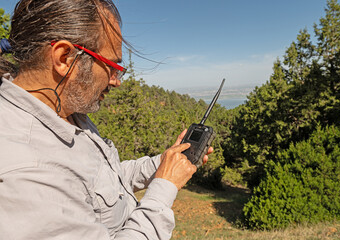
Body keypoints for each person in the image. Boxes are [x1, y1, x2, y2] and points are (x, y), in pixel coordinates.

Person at [0, 0, 212, 239]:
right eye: (112, 66)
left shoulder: (66, 110)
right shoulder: (26, 174)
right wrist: (165, 187)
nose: (116, 81)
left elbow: (101, 181)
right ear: (64, 57)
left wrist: (163, 164)